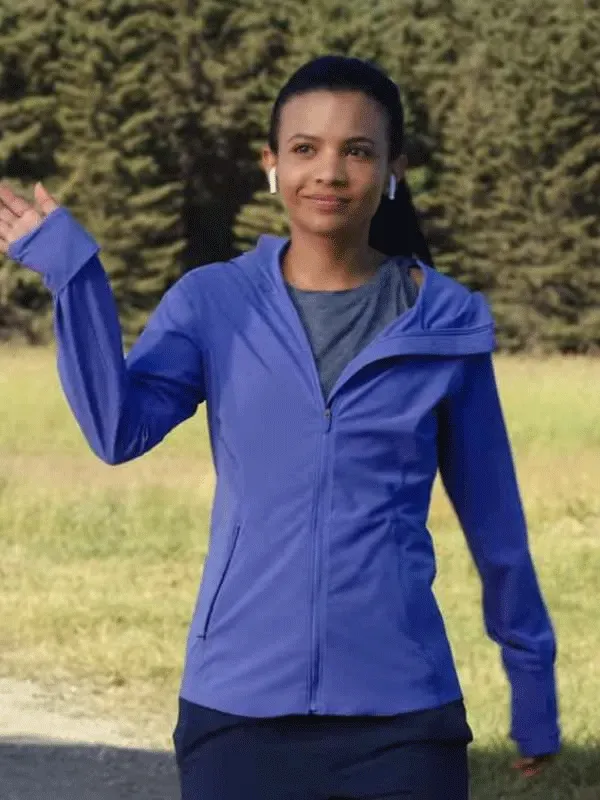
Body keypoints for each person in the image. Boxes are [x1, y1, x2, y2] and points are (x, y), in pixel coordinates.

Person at [0, 55, 559, 799]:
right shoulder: (212, 302)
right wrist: (74, 275)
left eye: (356, 150)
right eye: (304, 148)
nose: (328, 171)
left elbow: (497, 524)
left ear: (393, 169)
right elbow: (116, 428)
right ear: (271, 164)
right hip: (237, 711)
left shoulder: (446, 323)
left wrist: (533, 687)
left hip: (402, 717)